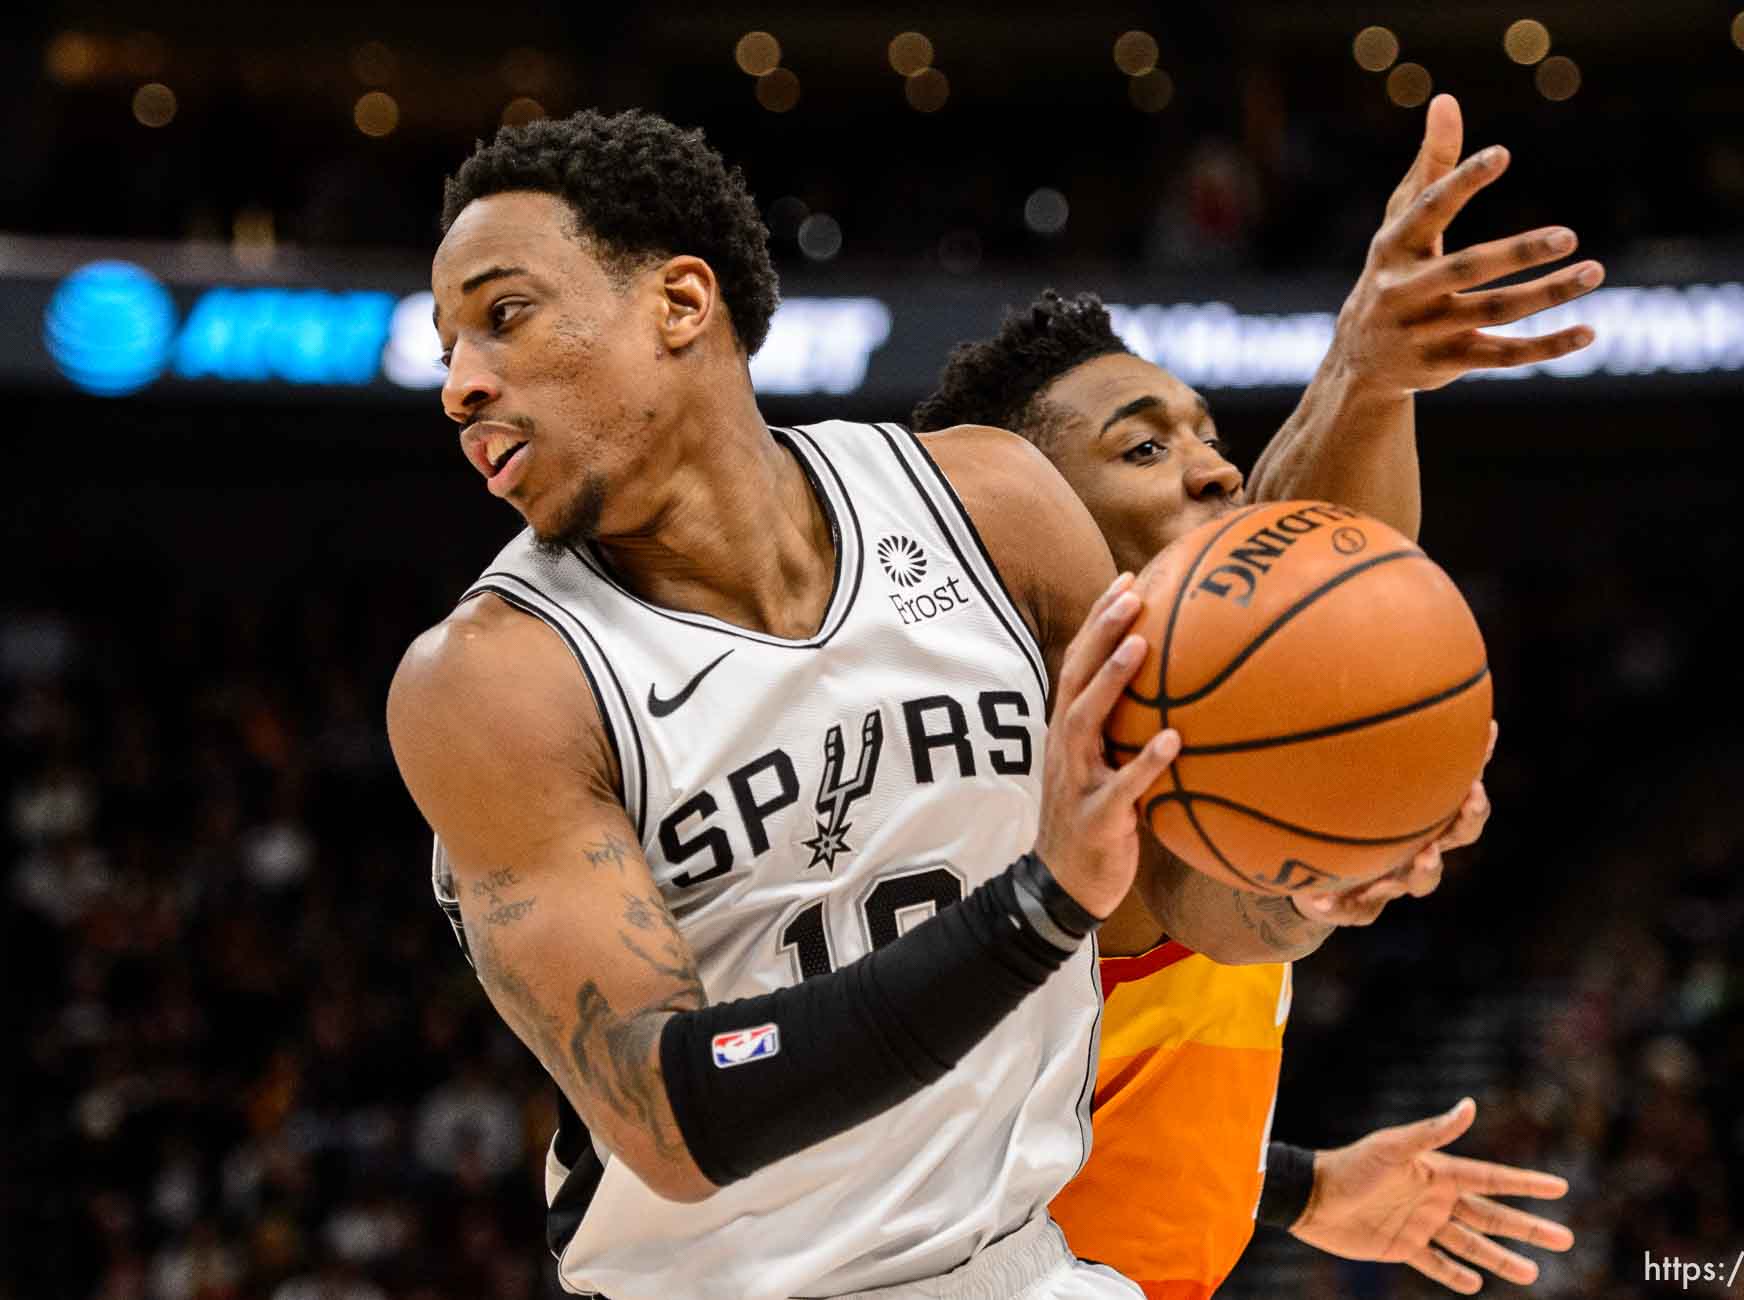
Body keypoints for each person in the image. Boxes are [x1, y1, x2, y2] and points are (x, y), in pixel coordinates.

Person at [388, 108, 1479, 1300]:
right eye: (449, 347)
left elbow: (1179, 896)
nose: (461, 385)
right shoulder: (495, 680)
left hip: (1020, 1266)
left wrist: (1321, 864)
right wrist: (1041, 902)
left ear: (681, 304)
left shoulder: (988, 503)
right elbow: (676, 1112)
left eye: (503, 317)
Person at [911, 95, 1599, 1298]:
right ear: (1016, 528)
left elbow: (1088, 1084)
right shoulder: (1020, 755)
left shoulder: (1196, 704)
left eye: (1206, 432)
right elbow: (1224, 900)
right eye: (1140, 448)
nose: (1217, 466)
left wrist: (1286, 1183)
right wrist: (1358, 379)